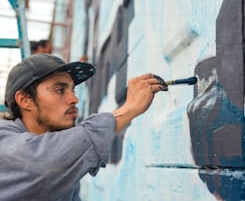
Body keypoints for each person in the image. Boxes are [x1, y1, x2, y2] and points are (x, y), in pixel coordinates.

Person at [0, 53, 168, 200]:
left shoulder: (63, 176)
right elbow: (42, 163)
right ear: (25, 100)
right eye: (60, 90)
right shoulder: (4, 138)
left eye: (72, 89)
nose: (74, 98)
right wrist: (128, 109)